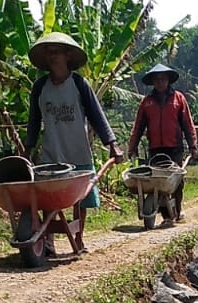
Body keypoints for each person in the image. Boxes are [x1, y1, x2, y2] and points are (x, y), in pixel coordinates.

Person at [22, 31, 124, 251]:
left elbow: (97, 115)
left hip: (77, 149)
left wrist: (112, 144)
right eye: (48, 54)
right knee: (48, 198)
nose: (52, 58)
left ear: (67, 55)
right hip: (52, 151)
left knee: (80, 198)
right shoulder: (40, 87)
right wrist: (27, 150)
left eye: (56, 52)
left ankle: (78, 237)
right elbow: (33, 121)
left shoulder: (78, 84)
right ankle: (47, 240)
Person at [126, 63, 198, 224]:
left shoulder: (178, 99)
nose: (160, 82)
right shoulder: (147, 102)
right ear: (152, 82)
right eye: (157, 79)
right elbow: (138, 127)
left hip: (174, 147)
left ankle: (177, 210)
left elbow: (187, 123)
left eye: (163, 79)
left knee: (176, 180)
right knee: (158, 182)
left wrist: (193, 145)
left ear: (168, 81)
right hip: (155, 148)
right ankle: (166, 216)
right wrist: (132, 147)